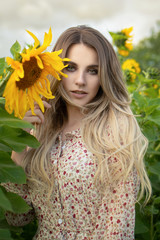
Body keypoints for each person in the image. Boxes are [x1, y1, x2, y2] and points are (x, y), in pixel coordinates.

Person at [3, 25, 151, 240]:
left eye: (92, 70)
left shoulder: (117, 133)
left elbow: (118, 228)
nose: (80, 80)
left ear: (104, 76)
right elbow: (17, 218)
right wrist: (19, 144)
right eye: (70, 67)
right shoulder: (38, 133)